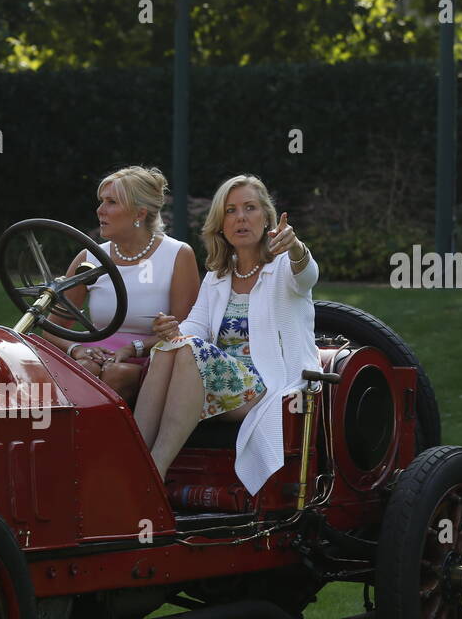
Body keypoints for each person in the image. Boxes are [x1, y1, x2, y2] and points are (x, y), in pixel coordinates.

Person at [132, 173, 321, 493]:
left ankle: (153, 473)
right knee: (170, 347)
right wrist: (172, 330)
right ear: (220, 223)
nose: (241, 217)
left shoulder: (283, 266)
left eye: (250, 208)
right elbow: (196, 327)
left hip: (268, 382)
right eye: (231, 211)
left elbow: (307, 275)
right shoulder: (219, 274)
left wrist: (297, 247)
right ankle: (133, 462)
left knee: (188, 349)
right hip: (219, 378)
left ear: (266, 218)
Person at [48, 166, 199, 405]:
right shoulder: (89, 258)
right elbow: (51, 330)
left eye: (111, 202)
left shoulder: (178, 255)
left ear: (139, 214)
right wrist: (77, 348)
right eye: (101, 201)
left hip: (153, 358)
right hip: (95, 358)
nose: (100, 210)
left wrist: (133, 348)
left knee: (117, 373)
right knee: (84, 368)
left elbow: (188, 330)